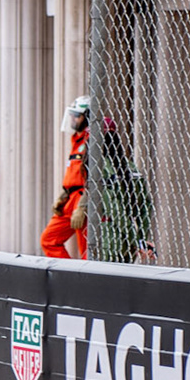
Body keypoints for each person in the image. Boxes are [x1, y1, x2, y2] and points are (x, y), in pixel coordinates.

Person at [89, 115, 155, 262]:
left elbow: (114, 208)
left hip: (109, 237)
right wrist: (141, 238)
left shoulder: (100, 168)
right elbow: (145, 205)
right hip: (127, 241)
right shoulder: (130, 166)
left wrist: (135, 240)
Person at [40, 96, 90, 259]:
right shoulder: (76, 140)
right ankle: (68, 276)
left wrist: (83, 207)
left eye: (77, 115)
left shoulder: (91, 141)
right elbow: (75, 175)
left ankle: (85, 282)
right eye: (72, 115)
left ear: (88, 116)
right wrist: (63, 196)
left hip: (83, 198)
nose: (72, 119)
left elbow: (93, 178)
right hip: (71, 198)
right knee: (49, 239)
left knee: (86, 249)